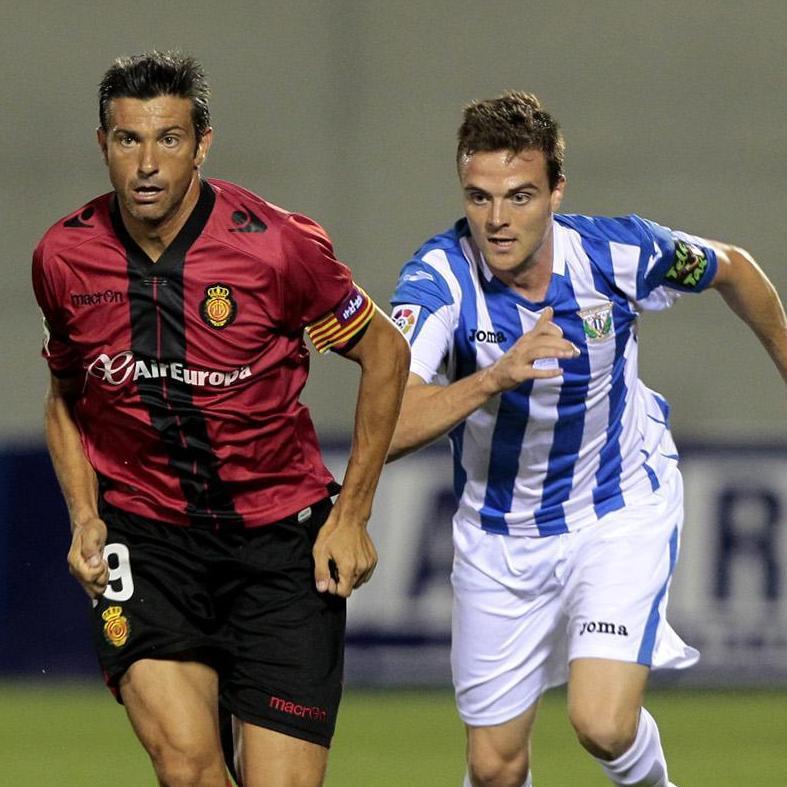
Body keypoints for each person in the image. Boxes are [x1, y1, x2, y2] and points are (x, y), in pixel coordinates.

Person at [388, 91, 787, 787]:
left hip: (615, 509)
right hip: (497, 537)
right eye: (478, 198)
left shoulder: (619, 253)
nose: (497, 220)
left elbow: (734, 270)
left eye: (518, 196)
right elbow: (388, 424)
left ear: (555, 191)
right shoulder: (439, 277)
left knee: (601, 722)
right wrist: (493, 377)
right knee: (493, 768)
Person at [32, 51, 409, 787]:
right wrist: (84, 515)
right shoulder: (63, 257)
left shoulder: (276, 246)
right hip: (147, 544)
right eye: (127, 139)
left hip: (279, 548)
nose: (146, 163)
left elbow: (385, 353)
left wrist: (353, 511)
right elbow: (64, 396)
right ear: (101, 144)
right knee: (186, 767)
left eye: (167, 139)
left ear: (202, 144)